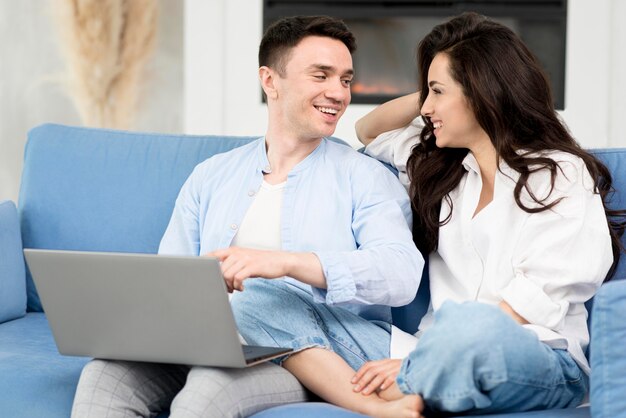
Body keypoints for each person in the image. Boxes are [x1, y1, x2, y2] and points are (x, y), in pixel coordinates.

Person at [236, 11, 626, 418]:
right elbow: (368, 130)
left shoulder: (558, 171)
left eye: (438, 93)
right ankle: (404, 395)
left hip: (534, 355)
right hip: (424, 350)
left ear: (481, 93)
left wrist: (420, 363)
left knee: (469, 326)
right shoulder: (443, 169)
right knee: (261, 299)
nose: (426, 107)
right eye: (427, 93)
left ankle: (409, 383)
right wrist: (430, 88)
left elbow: (539, 297)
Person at [71, 15, 424, 418]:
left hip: (314, 353)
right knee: (103, 377)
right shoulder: (212, 175)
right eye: (321, 75)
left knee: (208, 387)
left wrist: (284, 264)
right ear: (270, 81)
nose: (338, 93)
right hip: (210, 341)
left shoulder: (364, 176)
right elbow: (171, 276)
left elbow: (401, 274)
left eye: (345, 79)